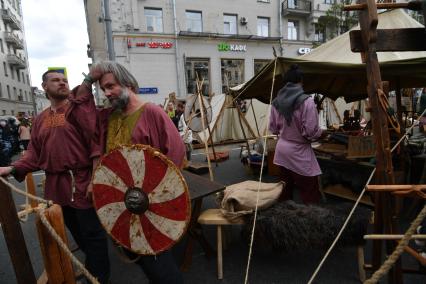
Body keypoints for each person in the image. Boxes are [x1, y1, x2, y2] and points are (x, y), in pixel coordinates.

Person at [77, 61, 185, 283]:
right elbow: (78, 112)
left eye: (110, 86)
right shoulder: (109, 116)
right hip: (123, 206)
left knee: (161, 267)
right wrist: (89, 80)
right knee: (140, 257)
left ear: (127, 83)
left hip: (153, 206)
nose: (107, 93)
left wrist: (159, 199)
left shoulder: (153, 113)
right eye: (103, 89)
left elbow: (175, 155)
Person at [0, 70, 110, 283]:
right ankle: (92, 270)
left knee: (93, 236)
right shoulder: (40, 119)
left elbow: (96, 142)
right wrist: (12, 169)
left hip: (82, 181)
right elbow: (34, 153)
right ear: (44, 88)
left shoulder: (78, 111)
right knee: (76, 234)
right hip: (57, 187)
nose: (62, 83)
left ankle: (99, 279)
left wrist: (96, 178)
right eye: (56, 81)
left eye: (64, 80)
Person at [269, 64, 323, 204]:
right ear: (300, 81)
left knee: (285, 190)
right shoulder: (307, 101)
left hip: (282, 150)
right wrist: (322, 133)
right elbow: (311, 132)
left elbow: (273, 129)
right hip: (299, 152)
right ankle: (311, 222)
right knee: (309, 191)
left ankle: (285, 221)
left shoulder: (276, 102)